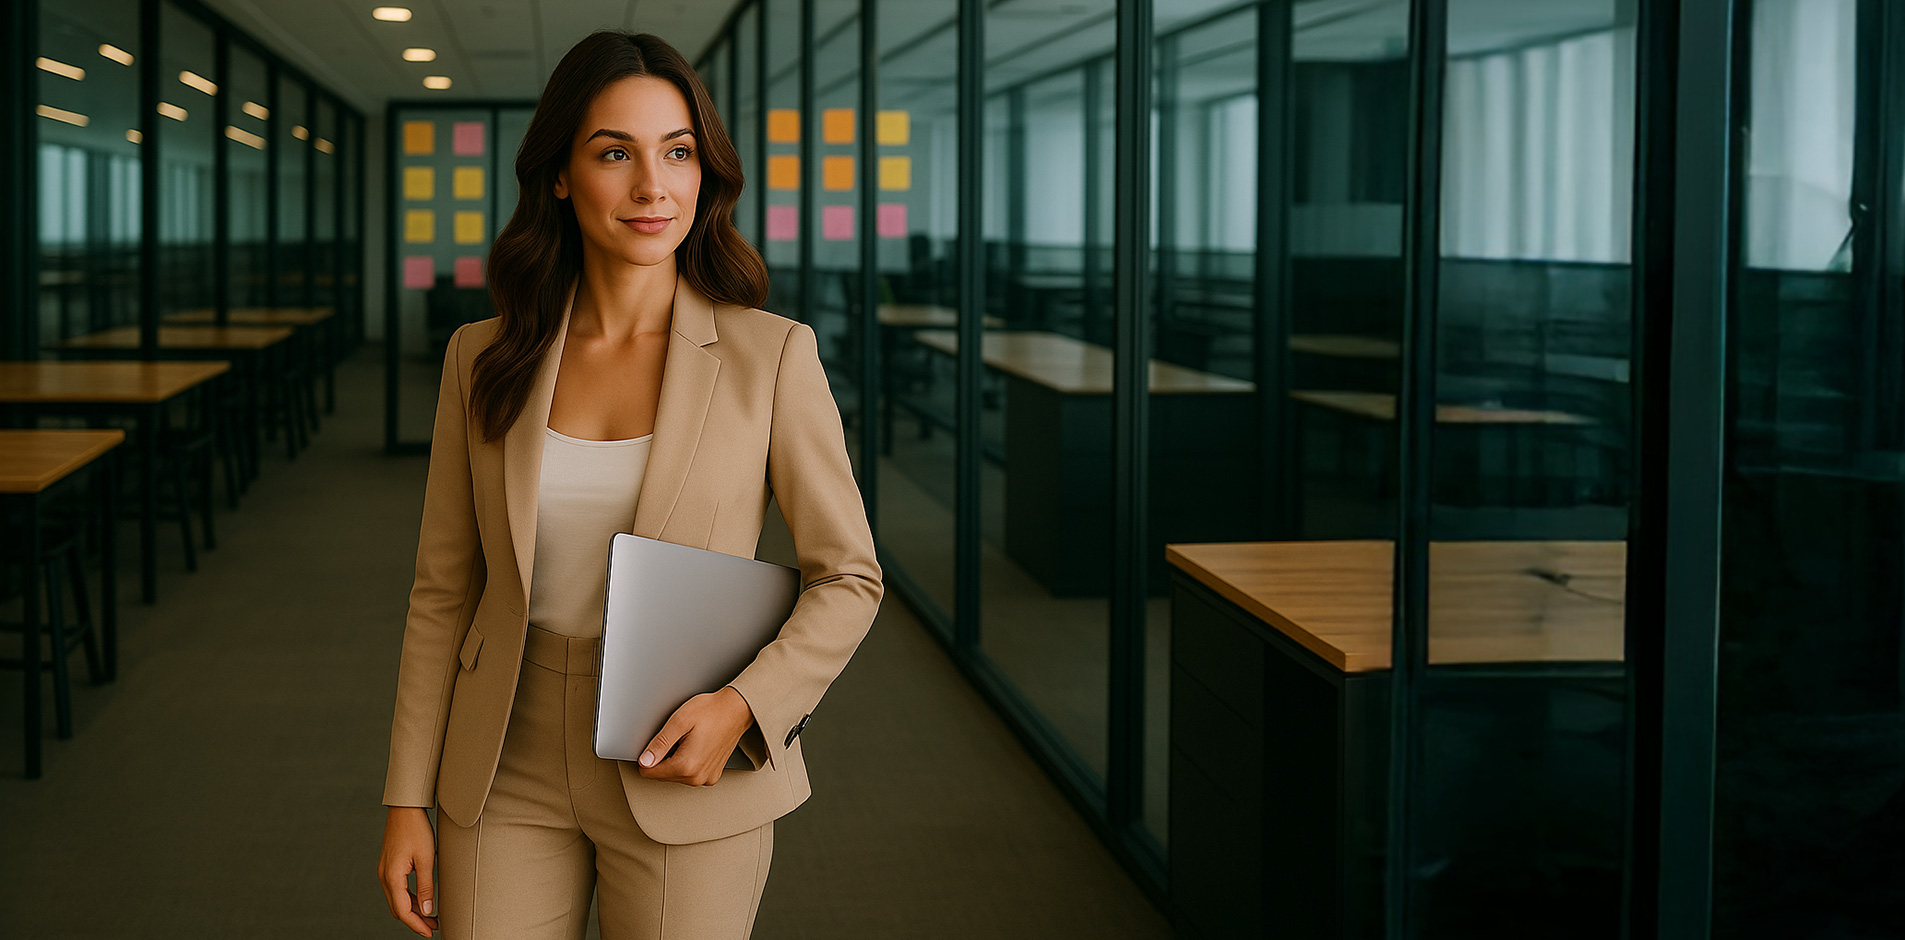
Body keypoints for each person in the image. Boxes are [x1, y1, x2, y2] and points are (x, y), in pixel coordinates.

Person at [374, 30, 883, 940]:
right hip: (502, 759)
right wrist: (406, 796)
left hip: (686, 757)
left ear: (705, 171)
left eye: (677, 152)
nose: (654, 186)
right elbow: (444, 591)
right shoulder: (481, 357)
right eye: (616, 153)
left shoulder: (771, 357)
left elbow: (849, 576)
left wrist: (745, 707)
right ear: (561, 176)